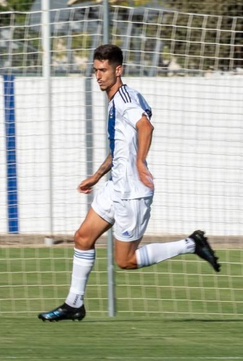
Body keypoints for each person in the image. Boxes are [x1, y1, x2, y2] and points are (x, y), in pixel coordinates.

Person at [38, 43, 220, 321]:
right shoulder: (123, 97)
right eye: (95, 70)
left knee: (125, 261)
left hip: (132, 191)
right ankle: (74, 303)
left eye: (103, 70)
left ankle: (191, 244)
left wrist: (139, 161)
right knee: (82, 238)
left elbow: (145, 126)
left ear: (118, 69)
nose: (98, 75)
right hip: (115, 187)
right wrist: (97, 176)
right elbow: (123, 146)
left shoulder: (124, 99)